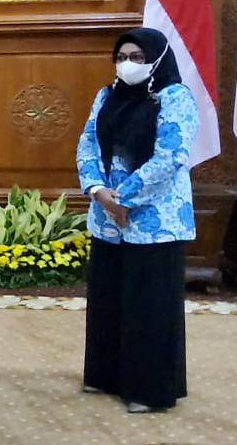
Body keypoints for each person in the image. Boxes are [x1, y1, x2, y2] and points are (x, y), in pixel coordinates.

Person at [76, 28, 195, 413]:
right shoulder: (107, 95)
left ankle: (148, 389)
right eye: (122, 57)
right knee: (108, 298)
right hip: (107, 215)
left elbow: (171, 156)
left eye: (138, 58)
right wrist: (97, 190)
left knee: (149, 305)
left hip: (156, 218)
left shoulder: (175, 97)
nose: (128, 64)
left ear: (157, 60)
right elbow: (88, 142)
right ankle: (105, 374)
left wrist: (124, 198)